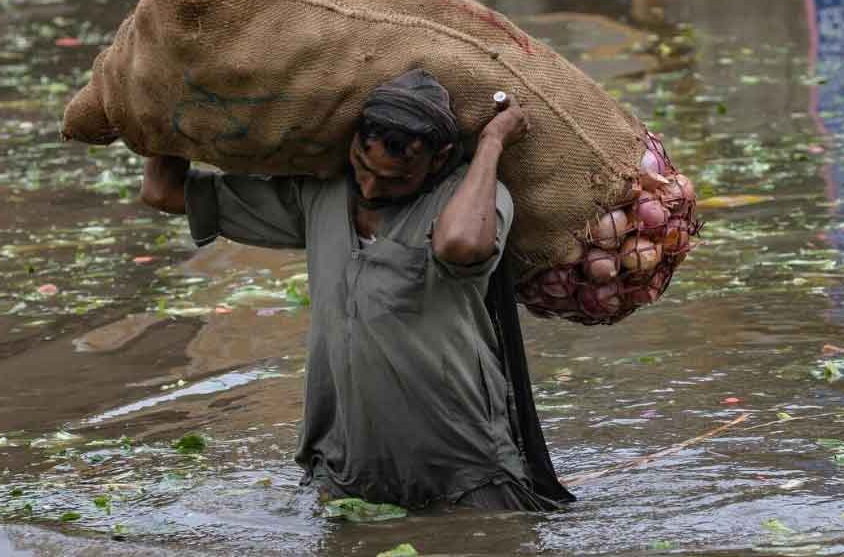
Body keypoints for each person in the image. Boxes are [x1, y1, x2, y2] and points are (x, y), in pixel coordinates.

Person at [140, 69, 575, 511]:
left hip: (464, 471)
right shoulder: (320, 195)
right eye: (362, 166)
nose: (370, 187)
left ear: (440, 159)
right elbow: (163, 191)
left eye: (395, 179)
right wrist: (175, 98)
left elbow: (461, 244)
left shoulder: (470, 199)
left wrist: (491, 145)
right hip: (348, 472)